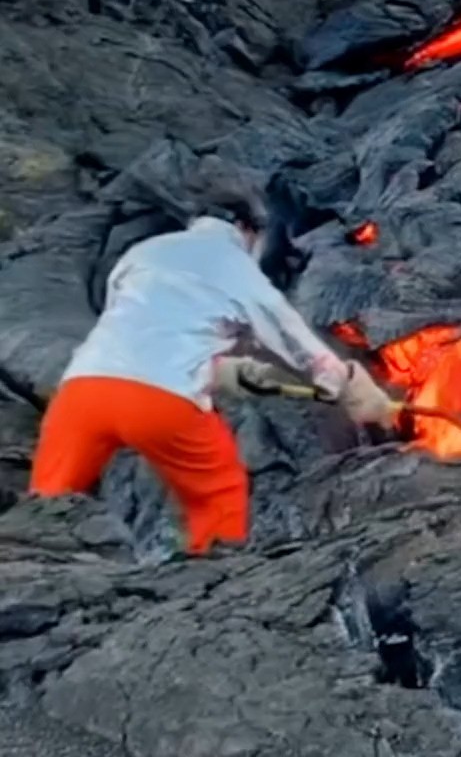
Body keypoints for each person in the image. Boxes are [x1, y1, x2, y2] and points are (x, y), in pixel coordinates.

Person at [29, 183, 396, 553]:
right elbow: (289, 336)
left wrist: (231, 372)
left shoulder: (143, 252)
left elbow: (141, 329)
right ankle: (213, 579)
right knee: (219, 493)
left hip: (82, 389)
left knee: (47, 506)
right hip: (159, 401)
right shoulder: (233, 264)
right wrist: (348, 386)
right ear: (247, 229)